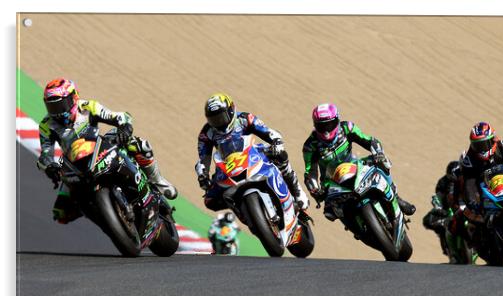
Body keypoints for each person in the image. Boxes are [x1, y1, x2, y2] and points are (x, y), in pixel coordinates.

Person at [37, 78, 177, 224]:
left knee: (139, 145)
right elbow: (45, 155)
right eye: (53, 107)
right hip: (75, 164)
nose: (58, 112)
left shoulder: (88, 107)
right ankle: (104, 216)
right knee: (61, 213)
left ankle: (158, 181)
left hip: (101, 146)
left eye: (61, 105)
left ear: (74, 97)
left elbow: (120, 117)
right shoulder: (46, 126)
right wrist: (50, 167)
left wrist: (125, 128)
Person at [195, 93, 309, 211]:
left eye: (221, 117)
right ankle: (243, 209)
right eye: (214, 120)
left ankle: (297, 191)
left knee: (280, 155)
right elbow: (204, 158)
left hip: (252, 153)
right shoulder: (206, 133)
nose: (219, 122)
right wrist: (203, 176)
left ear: (231, 111)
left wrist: (276, 141)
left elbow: (265, 131)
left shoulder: (245, 118)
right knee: (210, 201)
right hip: (228, 164)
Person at [302, 103, 415, 220]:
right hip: (332, 183)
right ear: (315, 125)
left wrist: (378, 154)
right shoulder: (310, 146)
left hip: (355, 167)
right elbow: (310, 172)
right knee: (330, 213)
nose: (326, 131)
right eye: (322, 126)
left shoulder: (347, 128)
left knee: (383, 163)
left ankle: (396, 198)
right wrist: (315, 189)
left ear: (337, 120)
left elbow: (369, 141)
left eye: (329, 125)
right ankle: (355, 226)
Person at [423, 160, 463, 257]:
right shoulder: (443, 182)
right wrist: (439, 207)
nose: (453, 179)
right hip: (448, 210)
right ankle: (448, 247)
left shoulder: (466, 180)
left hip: (465, 208)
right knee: (429, 220)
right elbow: (437, 196)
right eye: (451, 177)